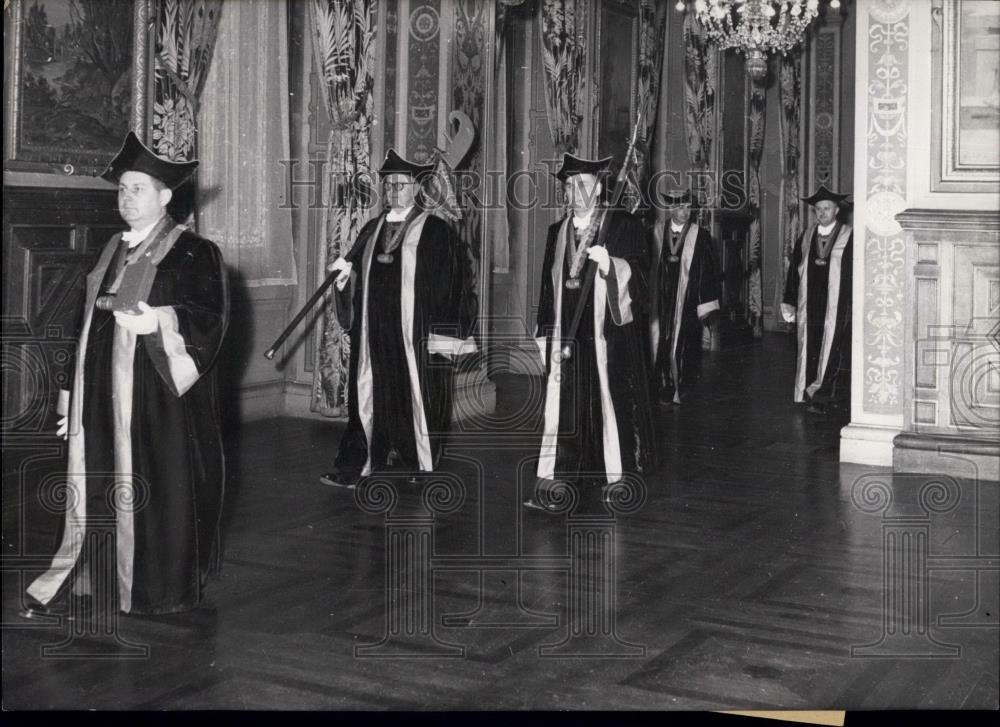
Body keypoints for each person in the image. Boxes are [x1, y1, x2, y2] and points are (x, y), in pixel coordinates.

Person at [22, 131, 229, 617]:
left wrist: (159, 319)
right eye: (122, 189)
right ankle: (90, 577)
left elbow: (209, 317)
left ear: (165, 196)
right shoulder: (111, 247)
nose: (126, 198)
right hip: (98, 395)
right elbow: (84, 322)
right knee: (94, 478)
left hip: (157, 400)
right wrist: (68, 394)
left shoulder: (194, 252)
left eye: (137, 188)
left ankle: (154, 588)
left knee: (153, 485)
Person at [319, 149, 477, 489]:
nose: (393, 191)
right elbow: (358, 276)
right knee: (368, 392)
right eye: (389, 185)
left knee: (417, 394)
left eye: (401, 184)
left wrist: (446, 337)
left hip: (415, 333)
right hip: (374, 333)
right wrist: (345, 278)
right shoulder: (373, 228)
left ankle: (419, 461)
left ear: (417, 188)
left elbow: (454, 288)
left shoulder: (437, 232)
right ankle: (359, 460)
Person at [526, 153, 655, 512]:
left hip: (608, 336)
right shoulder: (557, 232)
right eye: (568, 186)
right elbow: (547, 289)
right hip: (567, 334)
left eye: (581, 185)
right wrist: (543, 331)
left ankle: (617, 477)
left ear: (599, 189)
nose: (573, 192)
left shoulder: (623, 227)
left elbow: (643, 284)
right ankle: (560, 479)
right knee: (565, 405)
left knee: (610, 401)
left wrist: (612, 266)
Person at [781, 185, 853, 413]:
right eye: (818, 209)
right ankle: (806, 391)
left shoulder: (849, 236)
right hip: (809, 304)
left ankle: (823, 397)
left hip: (837, 305)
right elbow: (794, 270)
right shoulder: (807, 236)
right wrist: (789, 301)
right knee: (808, 347)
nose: (822, 213)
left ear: (837, 210)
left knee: (832, 350)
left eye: (827, 208)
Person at [649, 187, 721, 406]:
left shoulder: (701, 236)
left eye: (688, 207)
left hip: (687, 301)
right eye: (680, 207)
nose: (685, 211)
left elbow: (709, 273)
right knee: (660, 340)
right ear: (670, 207)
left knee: (681, 345)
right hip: (659, 299)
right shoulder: (655, 232)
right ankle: (660, 384)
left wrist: (705, 306)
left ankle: (675, 385)